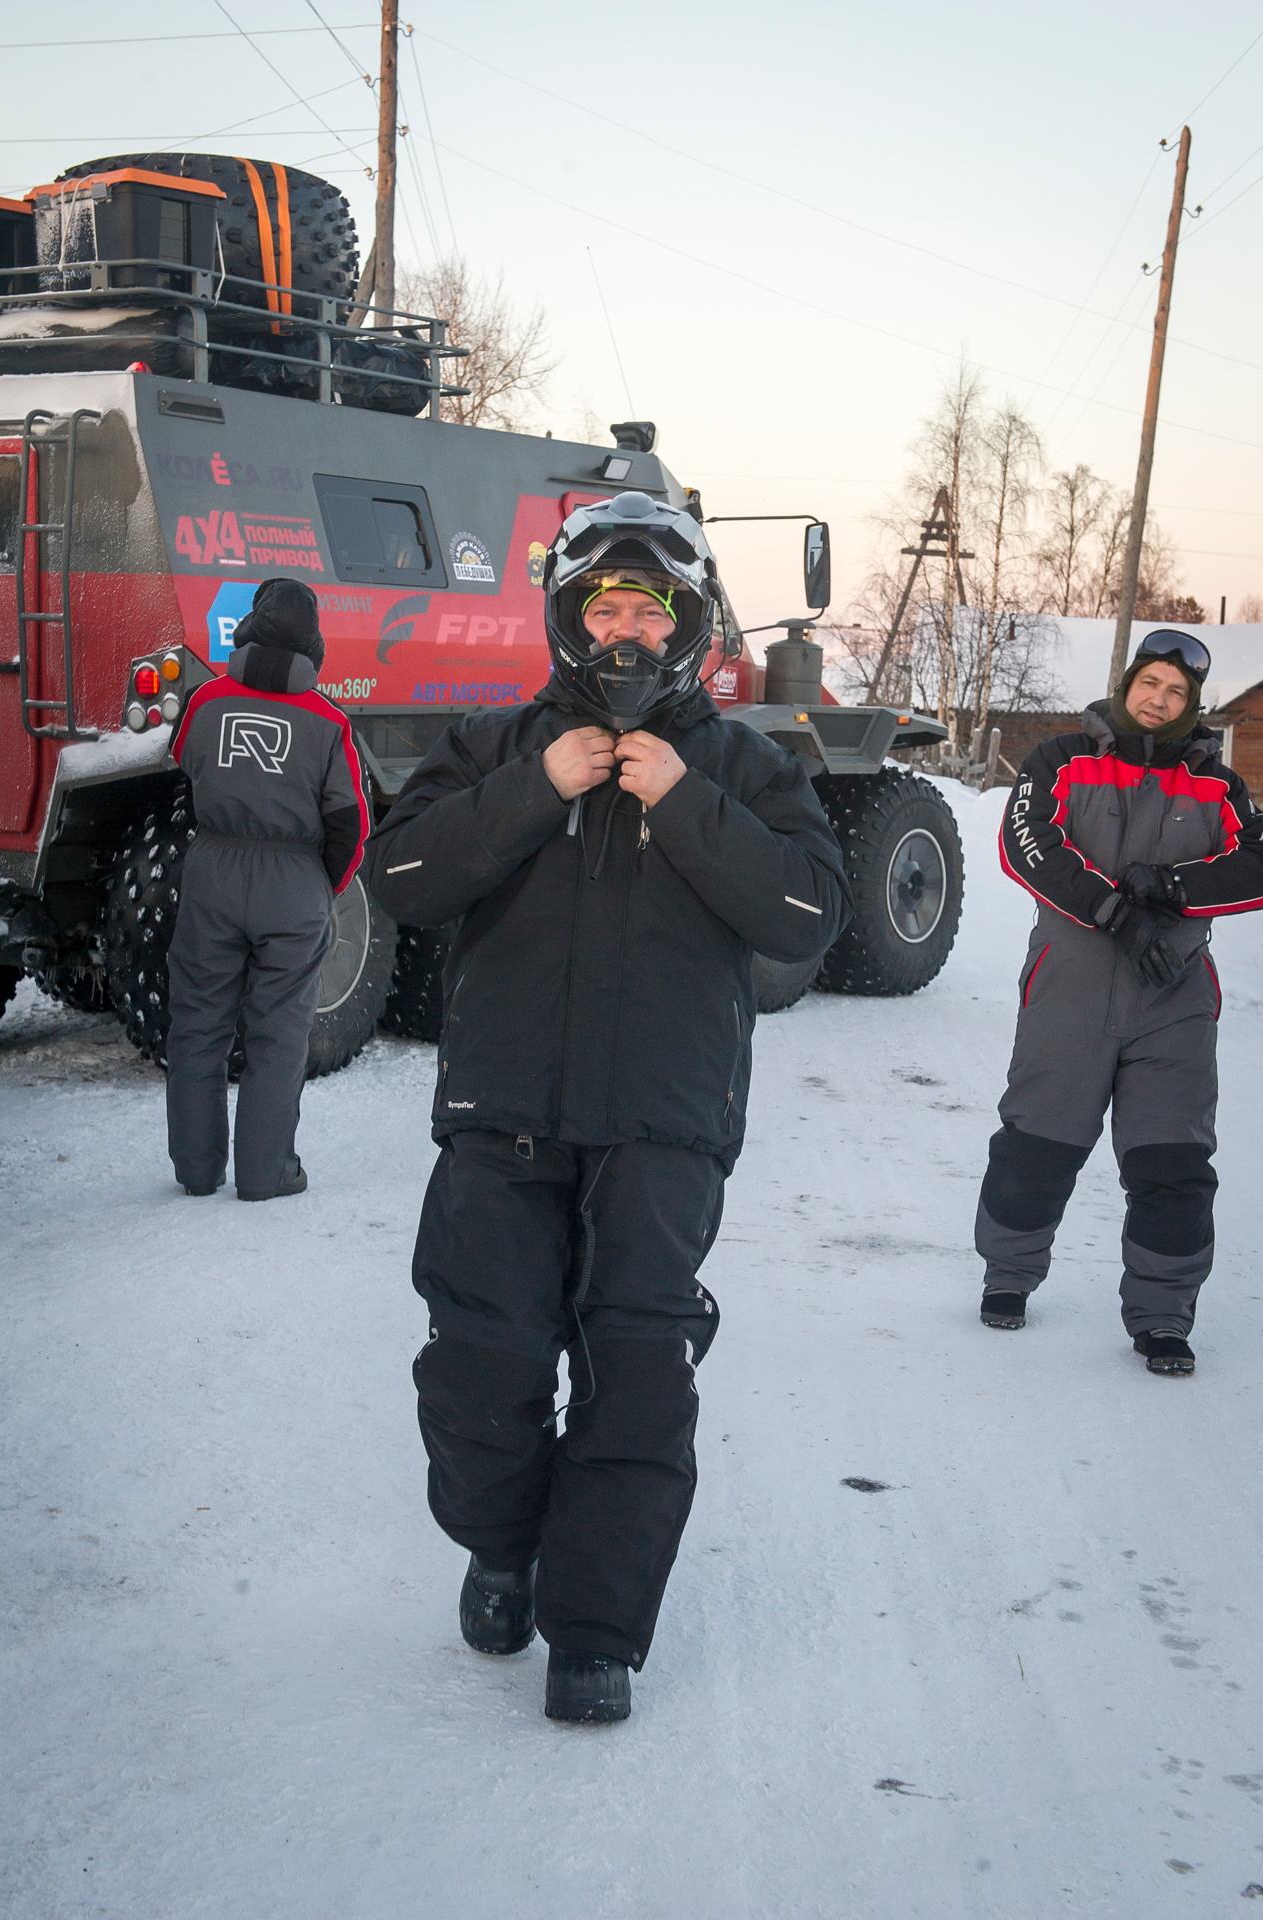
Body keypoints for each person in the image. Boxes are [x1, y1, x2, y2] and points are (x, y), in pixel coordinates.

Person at [369, 490, 850, 1723]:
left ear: (687, 624)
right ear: (567, 618)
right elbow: (400, 875)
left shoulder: (746, 763)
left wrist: (684, 801)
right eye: (604, 608)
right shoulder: (493, 746)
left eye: (650, 610)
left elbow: (807, 915)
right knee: (477, 1366)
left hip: (663, 1128)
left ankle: (594, 1632)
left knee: (635, 1376)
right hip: (500, 1114)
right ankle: (501, 1547)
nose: (626, 631)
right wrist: (539, 786)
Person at [976, 629, 1263, 1375]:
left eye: (1176, 692)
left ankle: (1163, 1316)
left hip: (1174, 995)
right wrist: (1114, 912)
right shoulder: (1062, 758)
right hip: (1068, 986)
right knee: (1039, 1142)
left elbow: (1256, 861)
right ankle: (1008, 1275)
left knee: (1173, 1161)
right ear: (1129, 683)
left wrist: (1173, 888)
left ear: (1190, 704)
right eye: (1150, 683)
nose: (1159, 699)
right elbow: (1028, 845)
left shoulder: (1216, 784)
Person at [166, 578, 368, 1202]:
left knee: (197, 1024)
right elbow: (351, 822)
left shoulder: (205, 699)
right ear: (313, 645)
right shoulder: (330, 721)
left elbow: (183, 760)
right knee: (279, 1034)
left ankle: (197, 1170)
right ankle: (265, 1173)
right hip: (293, 881)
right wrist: (321, 886)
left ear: (249, 630)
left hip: (214, 872)